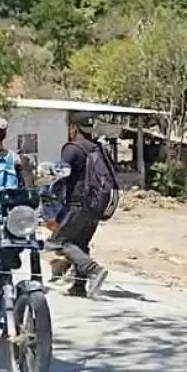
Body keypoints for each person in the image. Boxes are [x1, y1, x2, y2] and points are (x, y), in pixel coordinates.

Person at [54, 111, 112, 297]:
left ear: (73, 128)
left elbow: (59, 178)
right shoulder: (98, 148)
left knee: (60, 242)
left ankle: (94, 270)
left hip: (77, 204)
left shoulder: (72, 149)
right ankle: (78, 287)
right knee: (81, 243)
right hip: (97, 204)